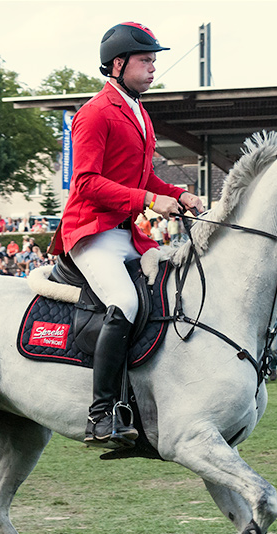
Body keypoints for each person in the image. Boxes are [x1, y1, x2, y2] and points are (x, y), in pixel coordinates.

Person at [51, 22, 204, 447]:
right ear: (118, 64)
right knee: (124, 300)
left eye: (154, 60)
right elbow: (84, 183)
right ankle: (101, 416)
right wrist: (151, 202)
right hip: (91, 231)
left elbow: (144, 175)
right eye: (146, 60)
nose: (154, 68)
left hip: (125, 232)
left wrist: (179, 193)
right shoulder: (95, 112)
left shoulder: (137, 110)